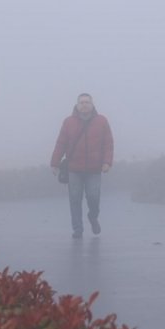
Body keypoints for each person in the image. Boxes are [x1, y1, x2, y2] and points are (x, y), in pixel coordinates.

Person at [50, 93, 113, 238]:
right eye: (81, 102)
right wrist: (54, 163)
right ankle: (77, 229)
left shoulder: (102, 121)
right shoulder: (68, 122)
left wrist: (107, 162)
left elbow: (108, 143)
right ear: (77, 105)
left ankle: (93, 216)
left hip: (94, 169)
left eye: (87, 102)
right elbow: (61, 143)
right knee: (75, 199)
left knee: (93, 197)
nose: (84, 105)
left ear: (92, 105)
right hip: (74, 169)